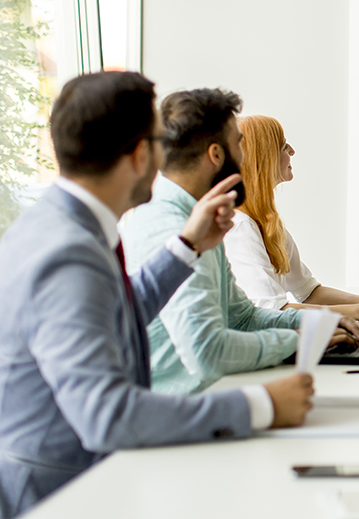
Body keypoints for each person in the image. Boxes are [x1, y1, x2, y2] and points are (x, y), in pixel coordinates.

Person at [0, 72, 314, 518]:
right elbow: (108, 416)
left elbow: (118, 317)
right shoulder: (68, 253)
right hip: (60, 492)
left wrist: (186, 248)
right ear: (138, 153)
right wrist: (259, 405)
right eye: (159, 139)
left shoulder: (69, 223)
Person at [122, 88, 359, 395]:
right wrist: (299, 340)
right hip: (183, 404)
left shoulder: (200, 215)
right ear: (216, 155)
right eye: (239, 145)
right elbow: (208, 351)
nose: (245, 157)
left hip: (210, 392)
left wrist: (318, 323)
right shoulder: (171, 227)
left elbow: (242, 316)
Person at [225, 115, 359, 321]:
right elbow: (272, 311)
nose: (292, 152)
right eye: (283, 147)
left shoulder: (267, 224)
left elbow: (309, 292)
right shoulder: (241, 226)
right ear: (264, 158)